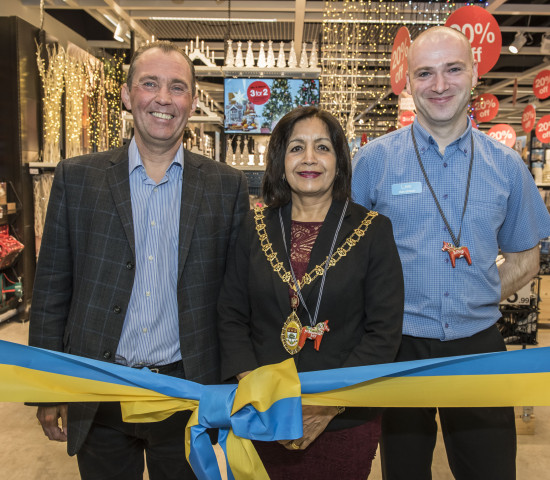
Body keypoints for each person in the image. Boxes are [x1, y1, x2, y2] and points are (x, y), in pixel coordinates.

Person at [28, 41, 249, 480]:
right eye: (150, 84)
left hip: (187, 392)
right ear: (128, 96)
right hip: (100, 386)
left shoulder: (227, 187)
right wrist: (47, 386)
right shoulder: (78, 178)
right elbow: (52, 288)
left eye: (177, 87)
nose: (164, 99)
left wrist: (235, 385)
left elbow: (236, 298)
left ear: (191, 100)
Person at [352, 26, 550, 480]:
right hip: (397, 347)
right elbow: (346, 258)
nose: (439, 85)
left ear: (474, 74)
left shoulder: (508, 166)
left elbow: (526, 258)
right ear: (407, 82)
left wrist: (477, 292)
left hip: (479, 346)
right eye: (425, 73)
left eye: (452, 69)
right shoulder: (373, 162)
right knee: (403, 471)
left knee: (491, 469)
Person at [217, 106, 404, 479]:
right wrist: (255, 390)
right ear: (279, 160)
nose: (309, 159)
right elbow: (231, 314)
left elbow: (383, 332)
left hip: (344, 417)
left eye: (322, 147)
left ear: (339, 160)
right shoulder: (254, 227)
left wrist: (326, 405)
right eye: (296, 148)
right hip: (264, 414)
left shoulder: (372, 230)